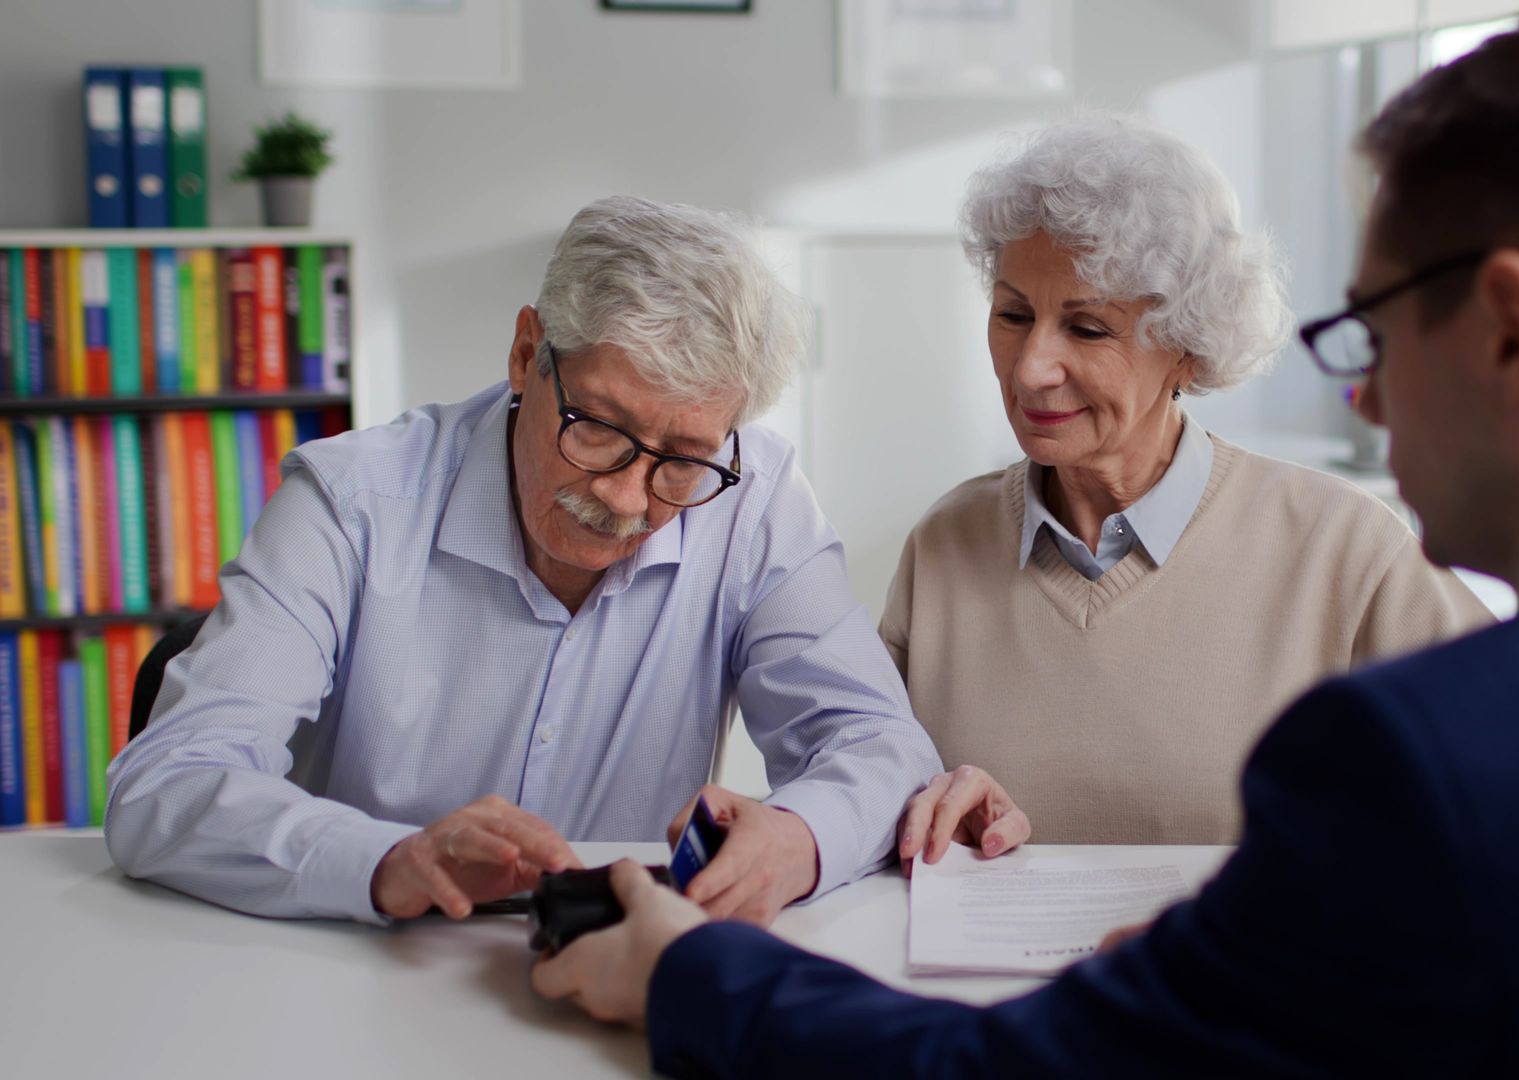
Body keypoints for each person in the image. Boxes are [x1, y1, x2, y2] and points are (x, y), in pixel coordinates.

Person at [528, 5, 1519, 1075]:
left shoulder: (1423, 752)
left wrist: (683, 978)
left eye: (1372, 330)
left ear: (1512, 328)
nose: (1362, 389)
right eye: (1015, 316)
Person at [105, 196, 943, 926]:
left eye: (683, 459)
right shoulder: (352, 504)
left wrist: (798, 837)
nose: (624, 500)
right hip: (364, 961)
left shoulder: (753, 499)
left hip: (620, 970)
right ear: (525, 353)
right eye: (599, 431)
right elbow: (168, 783)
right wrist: (383, 861)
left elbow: (878, 744)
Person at [886, 113, 1487, 864]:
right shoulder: (946, 542)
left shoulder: (1346, 550)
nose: (1031, 367)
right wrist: (906, 806)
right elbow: (866, 779)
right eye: (1013, 315)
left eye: (1089, 329)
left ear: (1188, 350)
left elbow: (1518, 790)